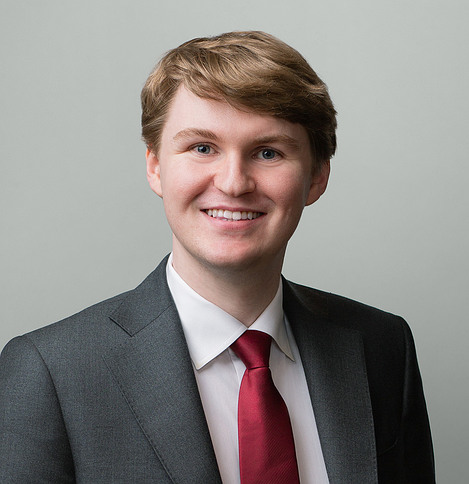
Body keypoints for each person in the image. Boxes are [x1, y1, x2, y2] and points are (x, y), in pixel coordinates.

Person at [0, 31, 434, 483]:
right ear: (155, 166)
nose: (233, 183)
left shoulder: (382, 348)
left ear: (316, 177)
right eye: (202, 148)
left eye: (268, 152)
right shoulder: (50, 373)